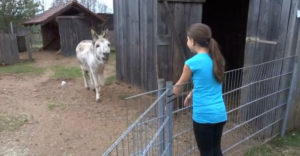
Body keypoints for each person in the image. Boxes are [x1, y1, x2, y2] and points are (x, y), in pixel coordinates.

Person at [172, 23, 227, 156]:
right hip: (220, 114)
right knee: (216, 150)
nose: (187, 42)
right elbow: (207, 83)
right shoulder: (216, 58)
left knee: (206, 152)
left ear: (193, 41)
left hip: (204, 116)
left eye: (187, 39)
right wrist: (192, 92)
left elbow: (177, 89)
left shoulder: (191, 63)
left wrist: (168, 91)